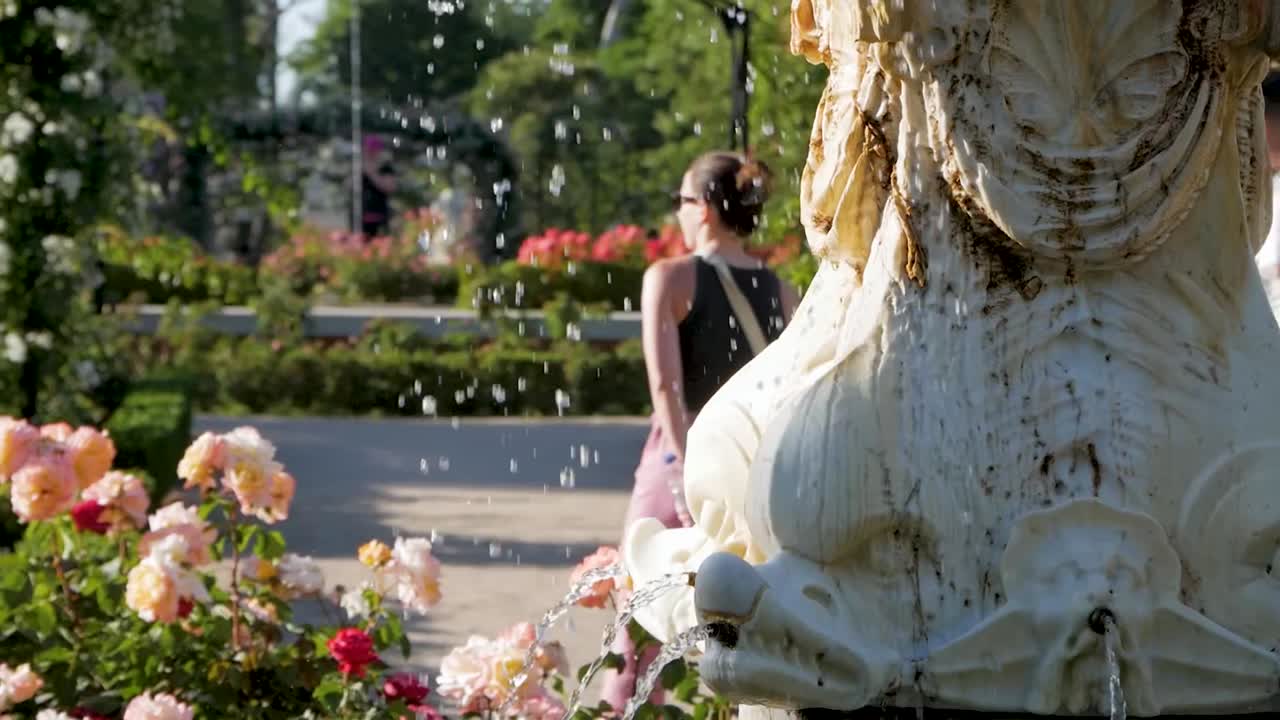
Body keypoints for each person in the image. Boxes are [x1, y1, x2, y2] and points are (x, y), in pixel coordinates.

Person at [601, 151, 799, 711]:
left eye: (683, 201)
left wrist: (685, 470)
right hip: (754, 471)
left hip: (678, 460)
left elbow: (666, 388)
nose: (678, 214)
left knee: (640, 615)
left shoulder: (670, 276)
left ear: (707, 210)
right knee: (745, 620)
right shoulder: (784, 291)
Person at [360, 135, 397, 237]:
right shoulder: (359, 167)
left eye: (373, 151)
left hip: (379, 214)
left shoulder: (385, 168)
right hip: (361, 215)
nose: (370, 153)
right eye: (367, 150)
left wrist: (372, 174)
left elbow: (390, 187)